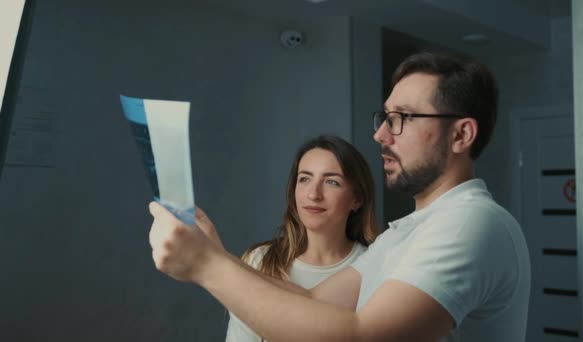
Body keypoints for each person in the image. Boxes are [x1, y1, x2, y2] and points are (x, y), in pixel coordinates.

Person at [148, 51, 531, 341]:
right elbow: (312, 303)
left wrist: (205, 266)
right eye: (384, 118)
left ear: (462, 135)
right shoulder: (404, 234)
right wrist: (215, 255)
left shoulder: (470, 221)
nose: (381, 135)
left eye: (403, 118)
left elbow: (361, 336)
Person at [225, 135, 379, 341]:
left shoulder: (378, 267)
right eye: (305, 179)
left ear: (357, 199)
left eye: (332, 182)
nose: (314, 194)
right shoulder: (260, 261)